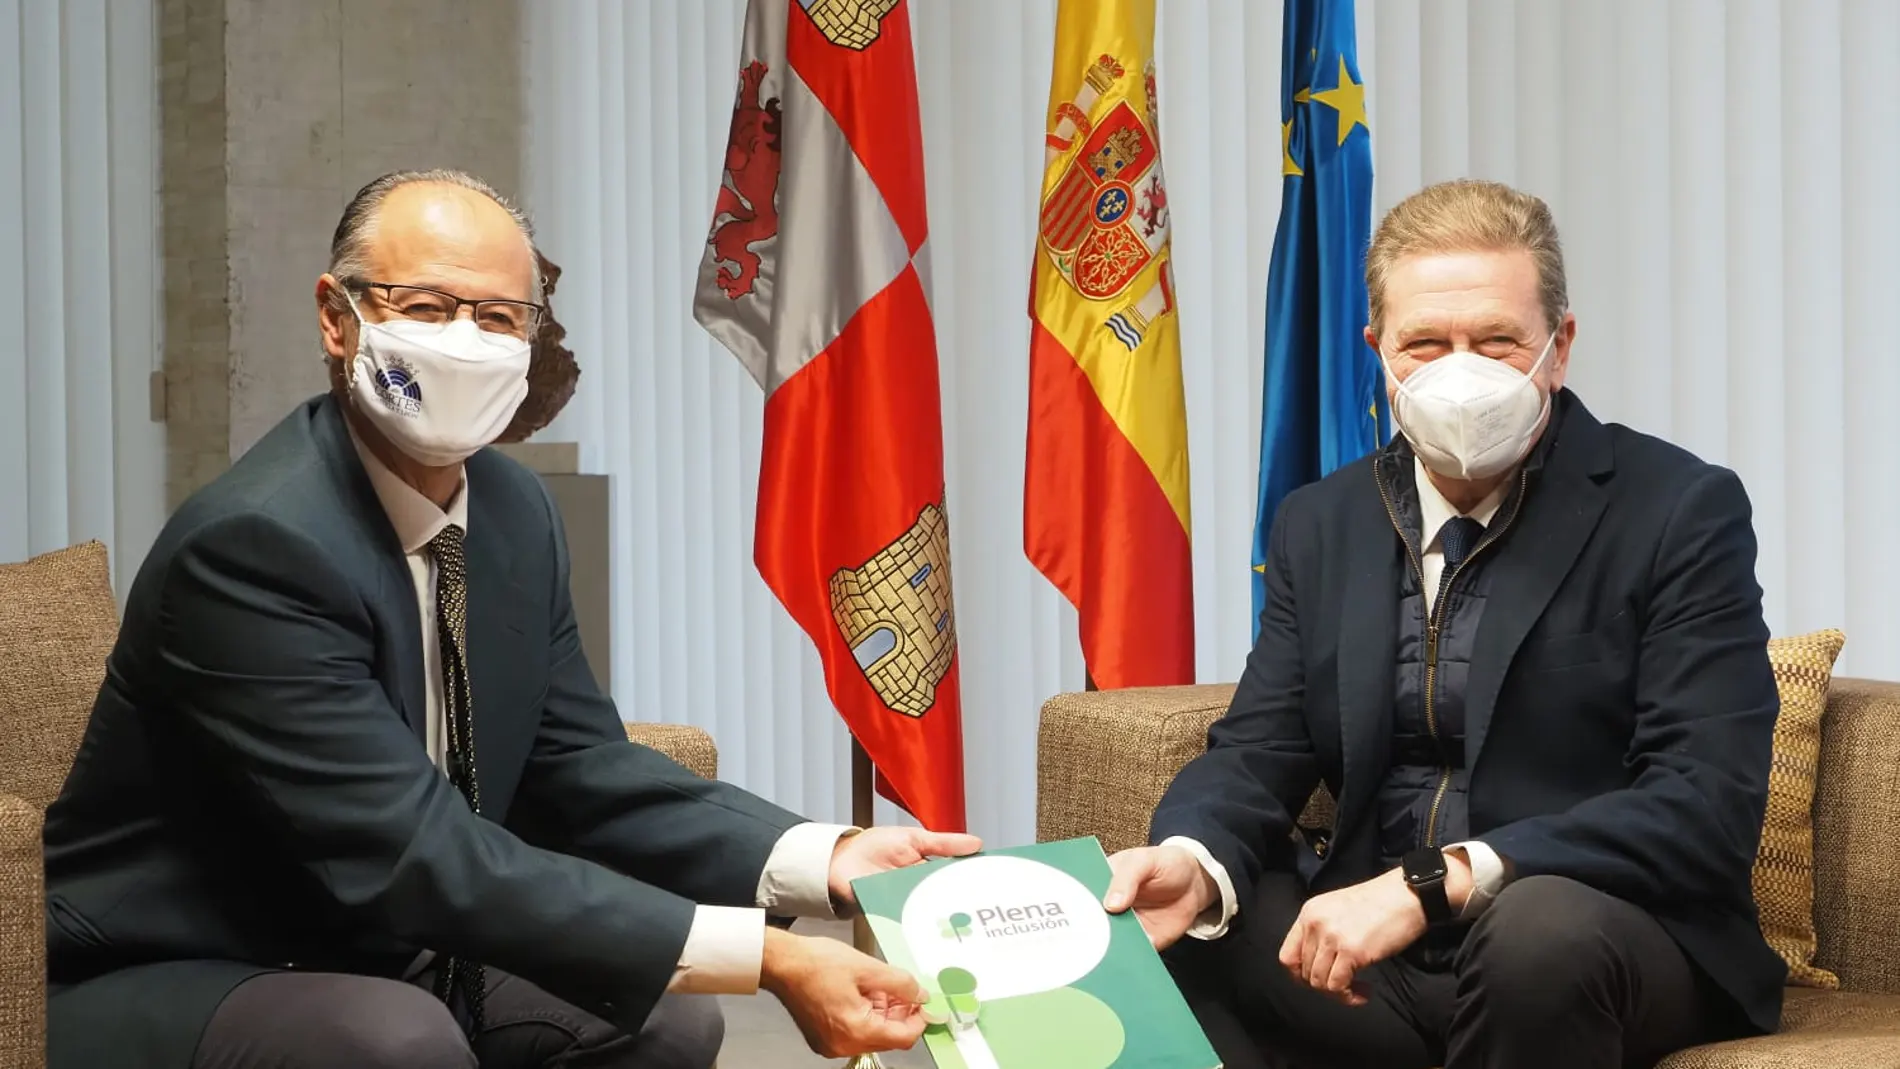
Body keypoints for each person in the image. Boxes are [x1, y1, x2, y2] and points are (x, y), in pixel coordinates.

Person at [40, 169, 976, 1069]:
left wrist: (833, 857)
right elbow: (412, 852)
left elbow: (577, 768)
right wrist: (771, 957)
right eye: (426, 307)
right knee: (393, 1041)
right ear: (337, 317)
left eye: (497, 317)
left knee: (664, 1028)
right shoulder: (253, 546)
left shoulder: (513, 515)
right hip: (176, 963)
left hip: (382, 946)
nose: (465, 340)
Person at [1103, 179, 1785, 1069]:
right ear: (1378, 353)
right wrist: (1193, 859)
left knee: (1538, 933)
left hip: (1592, 929)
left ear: (1559, 346)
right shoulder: (1321, 523)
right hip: (1380, 953)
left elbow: (1704, 804)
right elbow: (1257, 746)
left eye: (1497, 341)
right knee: (1206, 923)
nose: (1461, 371)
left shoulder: (1677, 510)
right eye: (1425, 342)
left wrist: (1442, 879)